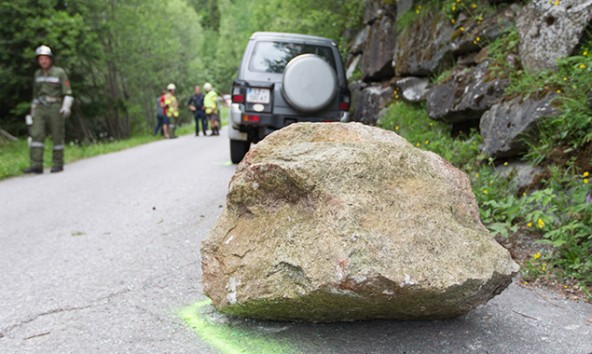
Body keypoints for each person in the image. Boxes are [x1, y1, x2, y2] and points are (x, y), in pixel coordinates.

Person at [23, 45, 73, 174]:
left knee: (57, 135)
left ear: (50, 59)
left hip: (55, 107)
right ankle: (36, 165)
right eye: (40, 59)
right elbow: (35, 94)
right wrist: (33, 110)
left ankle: (57, 163)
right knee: (36, 134)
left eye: (45, 58)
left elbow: (67, 92)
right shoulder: (37, 74)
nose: (43, 61)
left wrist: (66, 107)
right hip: (40, 107)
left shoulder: (59, 73)